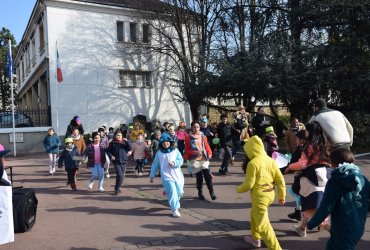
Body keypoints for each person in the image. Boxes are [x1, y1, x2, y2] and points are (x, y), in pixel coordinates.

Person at [307, 148, 370, 250]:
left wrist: (312, 223)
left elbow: (326, 206)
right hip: (358, 226)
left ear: (333, 163)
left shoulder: (335, 181)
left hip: (342, 228)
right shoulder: (362, 178)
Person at [236, 136, 286, 249]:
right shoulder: (270, 160)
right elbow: (280, 179)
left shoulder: (252, 163)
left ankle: (276, 248)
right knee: (254, 213)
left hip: (260, 197)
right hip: (270, 195)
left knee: (264, 225)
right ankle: (255, 238)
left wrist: (238, 189)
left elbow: (249, 184)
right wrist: (282, 196)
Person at [284, 122, 331, 237]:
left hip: (311, 178)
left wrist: (290, 167)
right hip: (325, 176)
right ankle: (302, 228)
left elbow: (303, 163)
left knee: (308, 208)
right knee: (315, 204)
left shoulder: (310, 145)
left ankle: (328, 227)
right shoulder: (326, 144)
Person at [149, 133, 184, 218]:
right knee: (172, 191)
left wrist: (175, 163)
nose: (165, 143)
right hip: (166, 176)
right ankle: (174, 209)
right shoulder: (159, 153)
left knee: (179, 192)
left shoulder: (175, 151)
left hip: (178, 175)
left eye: (167, 142)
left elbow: (181, 160)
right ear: (161, 143)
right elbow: (155, 165)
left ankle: (175, 200)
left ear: (170, 142)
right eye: (163, 142)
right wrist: (152, 175)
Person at [183, 121, 216, 201]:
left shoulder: (203, 136)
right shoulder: (188, 138)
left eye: (197, 127)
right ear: (191, 128)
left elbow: (207, 146)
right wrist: (193, 152)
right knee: (199, 177)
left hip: (204, 159)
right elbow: (186, 150)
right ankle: (200, 193)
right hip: (195, 160)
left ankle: (212, 192)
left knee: (207, 175)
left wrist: (210, 153)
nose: (196, 128)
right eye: (194, 127)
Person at [283, 130, 307, 221]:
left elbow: (295, 162)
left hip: (301, 176)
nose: (295, 141)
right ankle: (298, 212)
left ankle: (301, 213)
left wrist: (288, 168)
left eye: (296, 139)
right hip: (311, 175)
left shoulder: (300, 149)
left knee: (296, 192)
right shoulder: (312, 148)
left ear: (301, 140)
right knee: (300, 194)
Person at [107, 129, 132, 195]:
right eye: (118, 135)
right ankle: (117, 188)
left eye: (120, 135)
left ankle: (117, 187)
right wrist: (111, 156)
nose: (119, 137)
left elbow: (130, 148)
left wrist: (127, 142)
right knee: (119, 175)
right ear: (115, 136)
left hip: (124, 161)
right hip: (116, 161)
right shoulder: (112, 143)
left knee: (122, 176)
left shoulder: (124, 143)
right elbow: (108, 151)